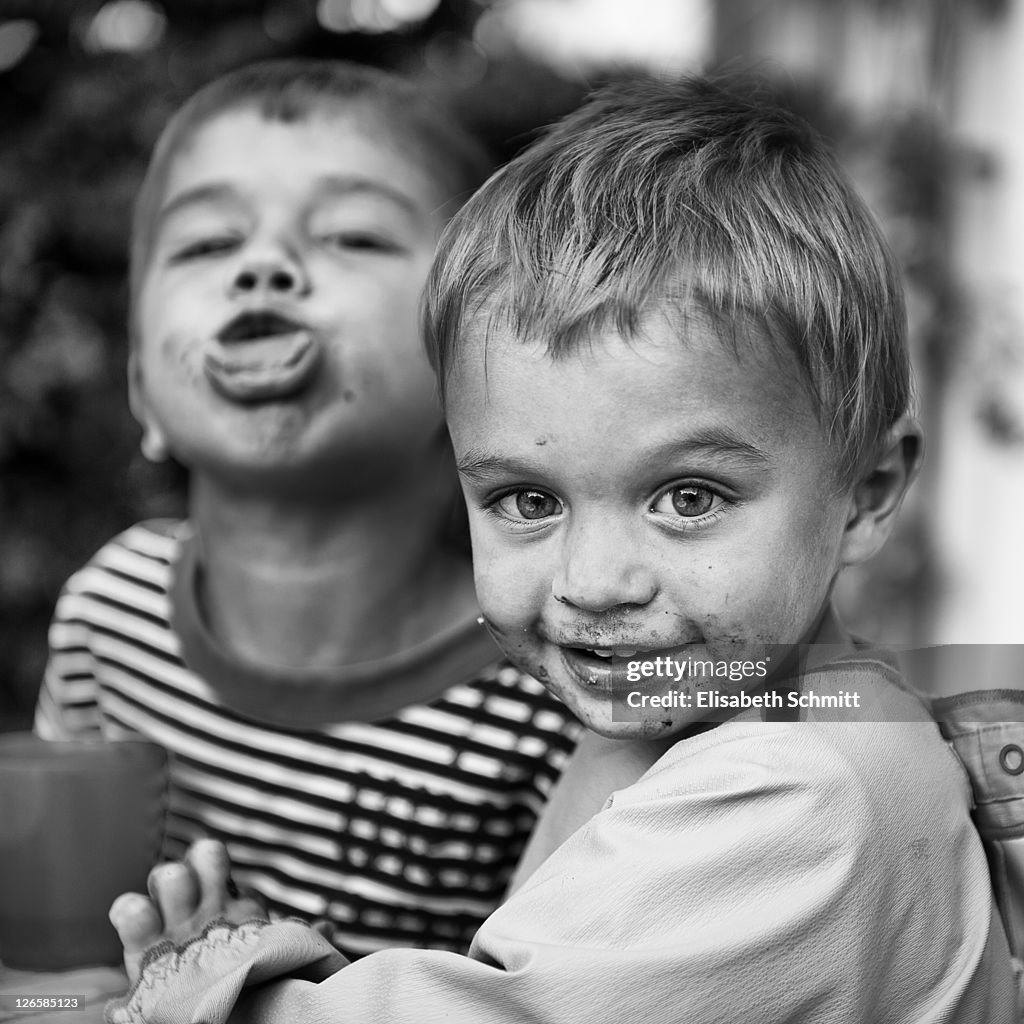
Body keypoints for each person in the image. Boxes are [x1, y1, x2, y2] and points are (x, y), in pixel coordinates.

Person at [103, 74, 1018, 1022]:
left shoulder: (802, 796)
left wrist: (212, 993)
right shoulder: (718, 712)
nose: (592, 584)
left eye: (689, 497)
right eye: (526, 500)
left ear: (866, 494)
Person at [32, 59, 580, 960]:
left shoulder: (553, 684)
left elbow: (546, 997)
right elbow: (66, 941)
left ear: (480, 363)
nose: (263, 268)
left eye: (354, 236)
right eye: (207, 245)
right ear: (141, 389)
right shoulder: (109, 614)